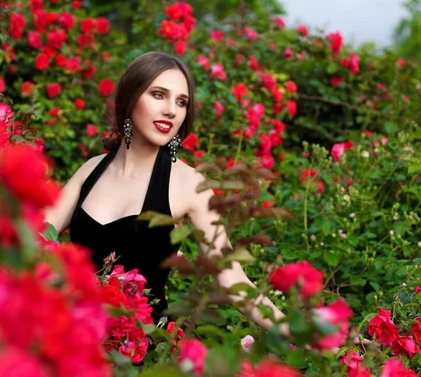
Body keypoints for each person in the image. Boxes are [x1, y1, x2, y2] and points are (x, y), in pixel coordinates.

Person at [44, 51, 288, 335]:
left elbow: (233, 279)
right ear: (130, 98)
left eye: (181, 102)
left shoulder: (190, 185)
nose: (172, 110)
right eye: (159, 95)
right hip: (74, 336)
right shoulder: (90, 171)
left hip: (139, 351)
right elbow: (34, 238)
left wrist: (312, 337)